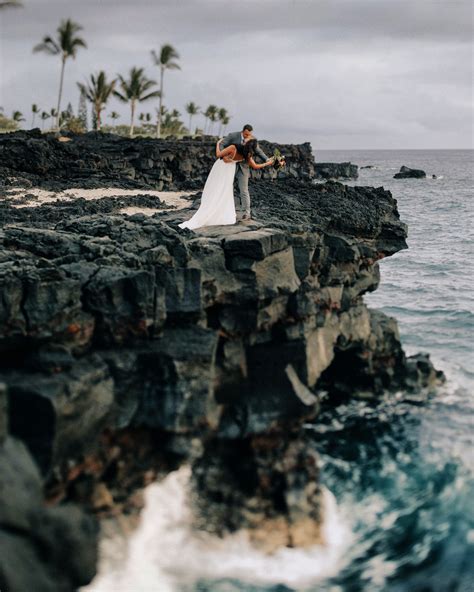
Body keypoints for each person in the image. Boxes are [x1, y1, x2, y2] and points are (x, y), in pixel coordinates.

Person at [178, 134, 274, 230]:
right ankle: (221, 212)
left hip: (221, 168)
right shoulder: (247, 155)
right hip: (229, 171)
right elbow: (256, 166)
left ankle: (211, 207)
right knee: (225, 191)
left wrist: (217, 144)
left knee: (214, 188)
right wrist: (268, 163)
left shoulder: (233, 147)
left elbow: (218, 155)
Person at [220, 124, 273, 221]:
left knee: (244, 190)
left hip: (244, 166)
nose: (247, 136)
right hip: (230, 165)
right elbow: (222, 144)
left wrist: (266, 160)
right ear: (243, 131)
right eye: (245, 134)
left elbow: (259, 151)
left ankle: (247, 213)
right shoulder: (233, 135)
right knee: (227, 187)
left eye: (249, 135)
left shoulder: (252, 140)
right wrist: (223, 157)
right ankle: (226, 210)